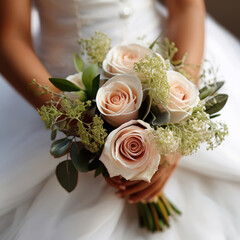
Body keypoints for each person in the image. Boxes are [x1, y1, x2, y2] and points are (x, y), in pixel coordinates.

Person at [0, 0, 239, 239]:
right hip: (58, 92)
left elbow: (186, 7)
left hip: (170, 67)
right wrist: (87, 130)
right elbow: (10, 39)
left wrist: (176, 123)